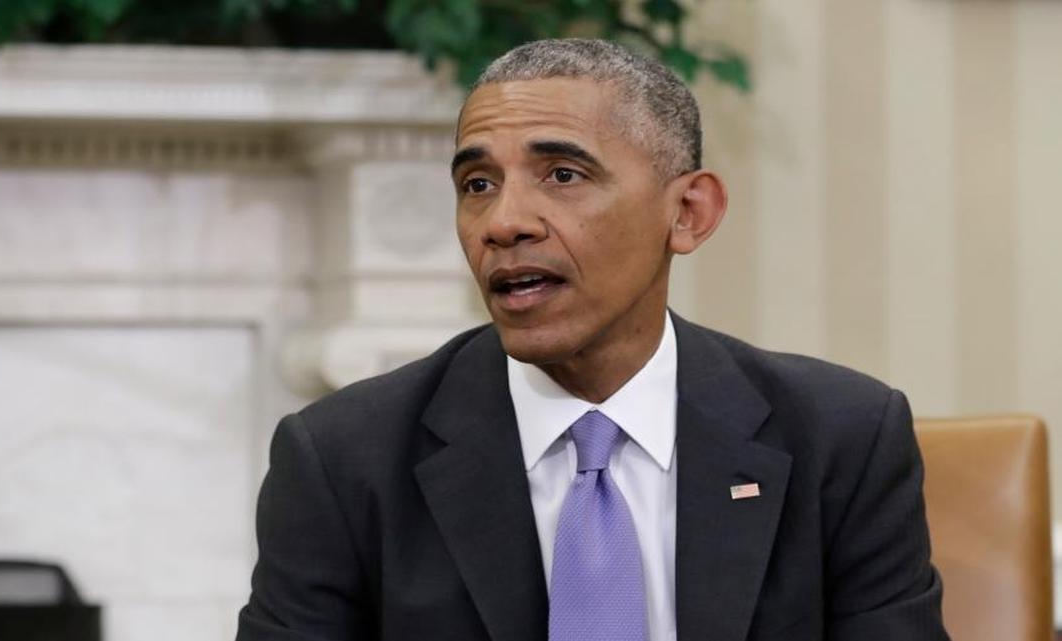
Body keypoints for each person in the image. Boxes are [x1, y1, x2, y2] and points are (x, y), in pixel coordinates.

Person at [236, 39, 949, 641]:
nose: (503, 221)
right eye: (478, 183)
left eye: (564, 174)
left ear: (689, 213)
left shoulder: (842, 437)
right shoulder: (342, 458)